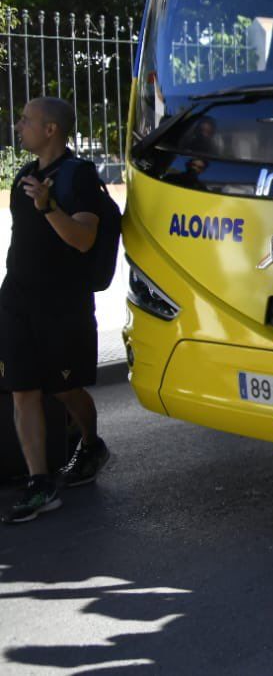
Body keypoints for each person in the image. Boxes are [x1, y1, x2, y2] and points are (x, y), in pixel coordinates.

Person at [2, 98, 112, 524]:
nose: (18, 125)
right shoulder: (23, 177)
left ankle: (90, 442)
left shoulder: (78, 176)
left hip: (61, 304)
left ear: (50, 130)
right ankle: (40, 483)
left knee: (64, 390)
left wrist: (49, 207)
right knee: (22, 388)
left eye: (26, 120)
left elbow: (83, 240)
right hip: (16, 298)